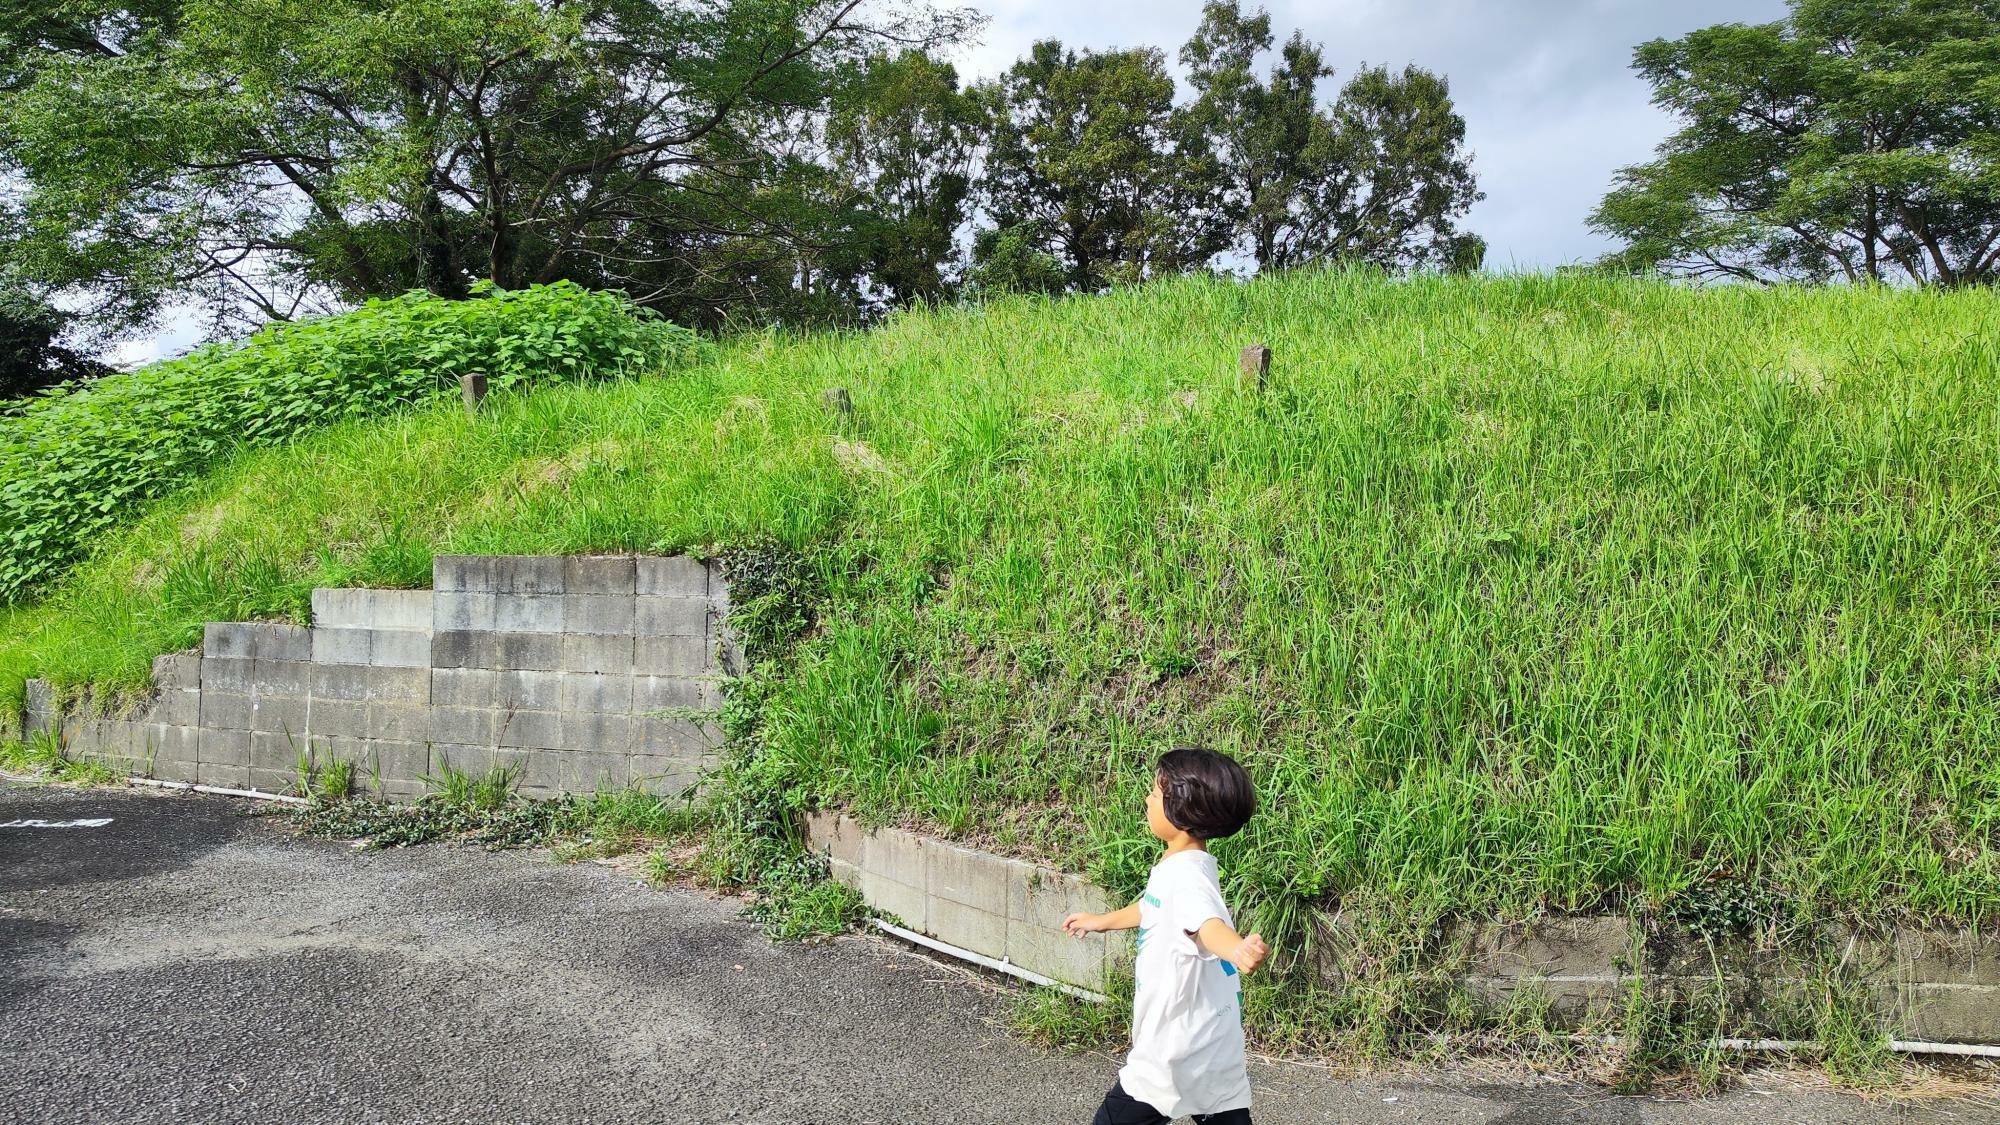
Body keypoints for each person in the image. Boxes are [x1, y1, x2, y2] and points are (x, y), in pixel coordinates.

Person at [1063, 747, 1268, 1125]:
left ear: (1183, 812)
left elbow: (1207, 927)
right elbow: (1155, 907)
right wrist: (1102, 921)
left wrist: (1237, 948)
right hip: (1211, 1046)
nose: (1148, 799)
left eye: (1156, 794)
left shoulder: (1188, 881)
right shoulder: (1183, 867)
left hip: (1171, 1053)